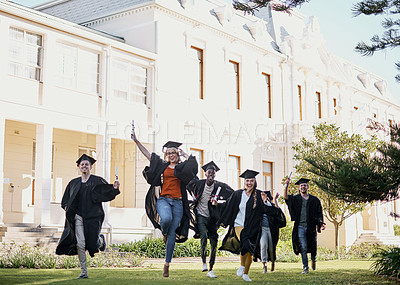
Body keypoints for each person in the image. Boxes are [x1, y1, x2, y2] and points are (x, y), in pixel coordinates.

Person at [132, 132, 197, 278]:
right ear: (166, 154)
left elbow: (193, 166)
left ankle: (167, 264)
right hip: (164, 200)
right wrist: (136, 141)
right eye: (169, 152)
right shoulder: (162, 166)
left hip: (179, 202)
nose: (171, 154)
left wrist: (185, 154)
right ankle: (164, 232)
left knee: (173, 233)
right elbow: (148, 155)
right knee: (166, 219)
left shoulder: (182, 167)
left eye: (173, 152)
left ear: (177, 153)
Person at [56, 154, 120, 279]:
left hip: (93, 217)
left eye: (86, 164)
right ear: (79, 167)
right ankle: (84, 272)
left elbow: (107, 192)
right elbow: (66, 199)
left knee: (92, 245)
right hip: (78, 217)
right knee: (80, 244)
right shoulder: (73, 183)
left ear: (91, 167)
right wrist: (66, 207)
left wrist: (114, 188)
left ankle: (100, 241)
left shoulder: (97, 180)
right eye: (82, 164)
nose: (84, 166)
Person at [218, 169, 283, 282]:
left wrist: (265, 201)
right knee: (245, 242)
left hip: (253, 227)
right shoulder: (238, 194)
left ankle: (245, 274)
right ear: (244, 182)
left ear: (254, 182)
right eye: (247, 180)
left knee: (250, 251)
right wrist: (216, 204)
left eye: (251, 181)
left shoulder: (258, 194)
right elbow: (227, 205)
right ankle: (242, 266)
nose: (249, 183)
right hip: (239, 224)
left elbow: (266, 210)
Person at [187, 161, 234, 278]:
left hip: (213, 218)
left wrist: (219, 201)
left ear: (215, 175)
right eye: (209, 173)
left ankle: (211, 268)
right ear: (205, 174)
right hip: (201, 215)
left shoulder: (220, 186)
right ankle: (203, 262)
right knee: (203, 236)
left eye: (213, 174)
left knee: (214, 242)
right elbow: (188, 182)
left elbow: (233, 195)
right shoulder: (199, 184)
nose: (211, 175)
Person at [283, 177, 326, 274]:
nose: (303, 187)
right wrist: (286, 185)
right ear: (299, 187)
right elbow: (286, 197)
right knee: (303, 246)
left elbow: (319, 213)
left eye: (305, 185)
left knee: (313, 245)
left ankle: (313, 259)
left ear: (307, 187)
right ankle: (305, 267)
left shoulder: (314, 200)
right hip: (300, 226)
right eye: (301, 185)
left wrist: (321, 223)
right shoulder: (296, 199)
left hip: (311, 227)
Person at [257, 191, 286, 274]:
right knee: (263, 245)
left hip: (271, 229)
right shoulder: (260, 206)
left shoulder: (272, 206)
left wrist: (276, 200)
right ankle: (264, 265)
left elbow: (278, 212)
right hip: (262, 229)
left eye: (265, 196)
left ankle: (273, 262)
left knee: (271, 247)